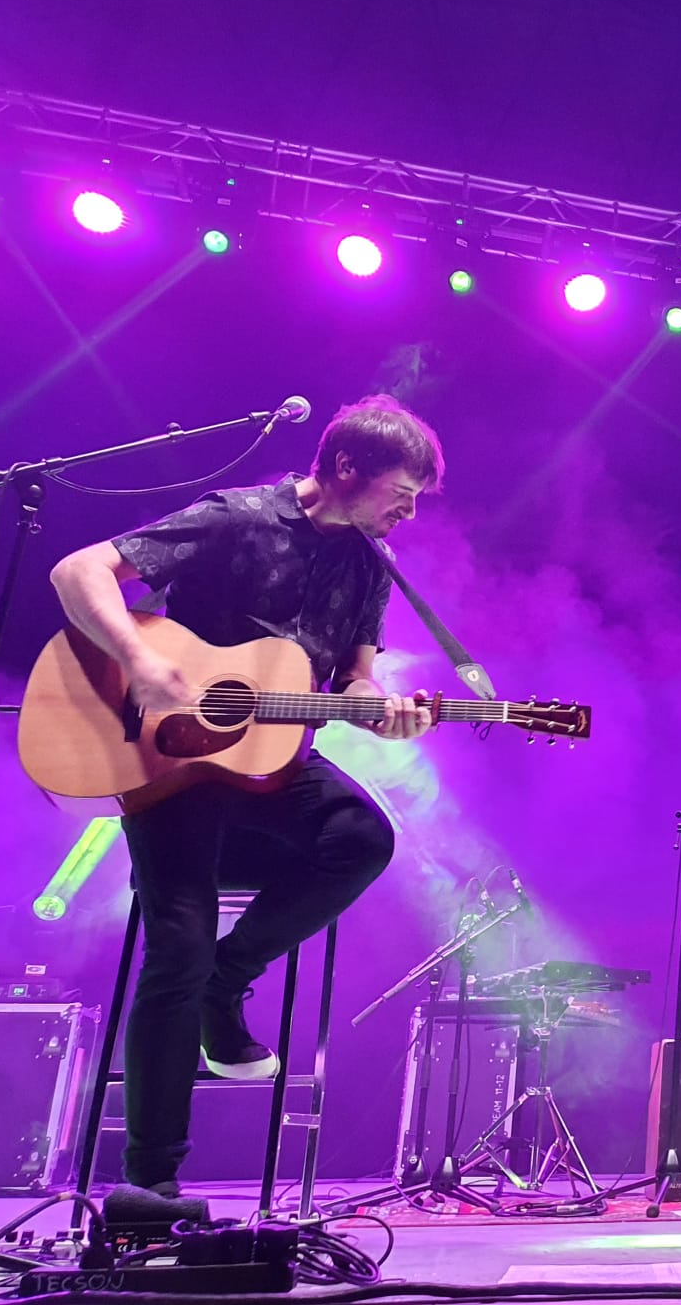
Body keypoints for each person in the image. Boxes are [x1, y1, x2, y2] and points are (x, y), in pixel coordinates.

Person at [49, 394, 444, 1197]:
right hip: (172, 764)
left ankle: (231, 981)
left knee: (362, 839)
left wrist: (381, 711)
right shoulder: (236, 518)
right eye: (402, 490)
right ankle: (149, 1189)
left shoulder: (371, 561)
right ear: (344, 468)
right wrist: (147, 664)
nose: (409, 509)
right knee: (176, 952)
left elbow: (354, 678)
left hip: (272, 766)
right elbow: (78, 569)